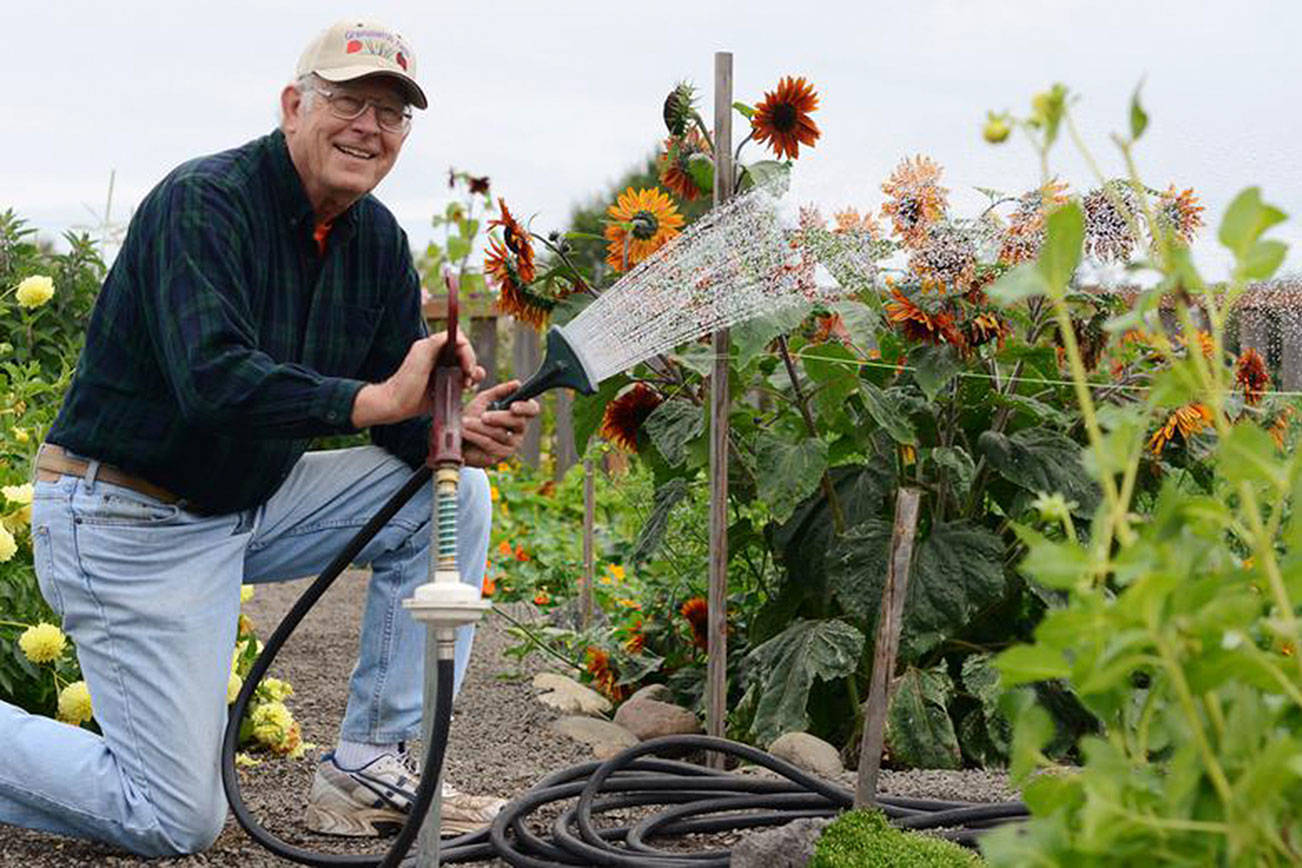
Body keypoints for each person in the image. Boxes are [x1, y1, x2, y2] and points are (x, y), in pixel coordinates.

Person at [0, 18, 539, 855]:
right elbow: (212, 382)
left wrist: (450, 431)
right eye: (349, 102)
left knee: (449, 492)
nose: (369, 127)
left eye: (391, 113)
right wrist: (376, 399)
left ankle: (368, 767)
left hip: (242, 503)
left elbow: (398, 421)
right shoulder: (203, 203)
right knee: (173, 818)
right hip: (126, 518)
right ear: (294, 106)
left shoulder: (376, 243)